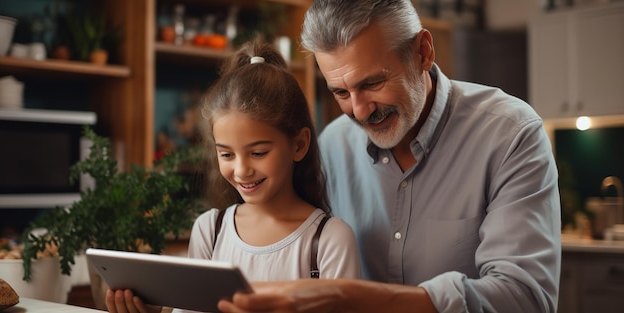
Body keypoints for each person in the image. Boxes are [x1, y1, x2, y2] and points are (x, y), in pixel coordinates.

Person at [217, 0, 562, 312]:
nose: (359, 110)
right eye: (340, 92)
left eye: (372, 83)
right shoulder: (333, 146)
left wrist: (349, 297)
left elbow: (525, 298)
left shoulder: (511, 134)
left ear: (423, 52)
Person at [105, 40, 361, 313]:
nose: (241, 171)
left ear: (299, 145)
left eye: (258, 152)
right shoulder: (209, 231)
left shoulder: (329, 240)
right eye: (226, 155)